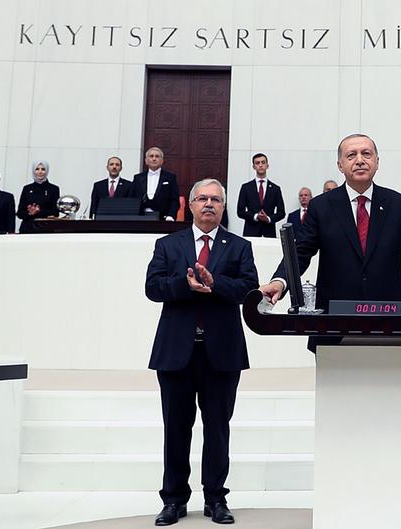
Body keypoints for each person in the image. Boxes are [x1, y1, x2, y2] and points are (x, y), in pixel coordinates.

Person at [258, 133, 401, 351]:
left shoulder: (398, 204)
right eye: (351, 155)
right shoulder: (321, 206)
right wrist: (280, 281)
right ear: (340, 165)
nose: (360, 160)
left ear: (377, 162)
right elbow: (300, 252)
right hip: (333, 326)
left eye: (366, 153)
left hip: (390, 324)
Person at [145, 178, 259, 526]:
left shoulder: (239, 246)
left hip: (221, 353)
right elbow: (152, 287)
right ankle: (174, 500)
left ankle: (216, 499)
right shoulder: (168, 244)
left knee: (217, 428)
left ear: (224, 207)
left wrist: (214, 283)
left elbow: (248, 289)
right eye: (203, 199)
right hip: (176, 352)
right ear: (190, 205)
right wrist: (185, 284)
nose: (209, 204)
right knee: (176, 429)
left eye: (216, 199)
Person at [236, 153, 285, 238]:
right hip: (251, 232)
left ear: (267, 165)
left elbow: (281, 213)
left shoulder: (275, 188)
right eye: (257, 163)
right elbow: (240, 211)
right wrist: (255, 216)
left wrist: (269, 218)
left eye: (263, 162)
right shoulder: (246, 187)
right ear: (254, 167)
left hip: (269, 232)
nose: (260, 165)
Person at [132, 147, 180, 221]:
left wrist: (171, 216)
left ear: (162, 161)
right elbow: (132, 198)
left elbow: (175, 200)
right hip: (140, 218)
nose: (154, 159)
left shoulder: (170, 178)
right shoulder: (137, 178)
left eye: (157, 156)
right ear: (146, 161)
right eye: (151, 156)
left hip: (163, 219)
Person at [16, 160, 61, 233]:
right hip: (28, 229)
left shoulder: (54, 189)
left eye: (43, 169)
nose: (40, 172)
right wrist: (30, 213)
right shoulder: (27, 188)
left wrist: (39, 212)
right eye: (37, 169)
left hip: (46, 229)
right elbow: (20, 213)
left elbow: (56, 213)